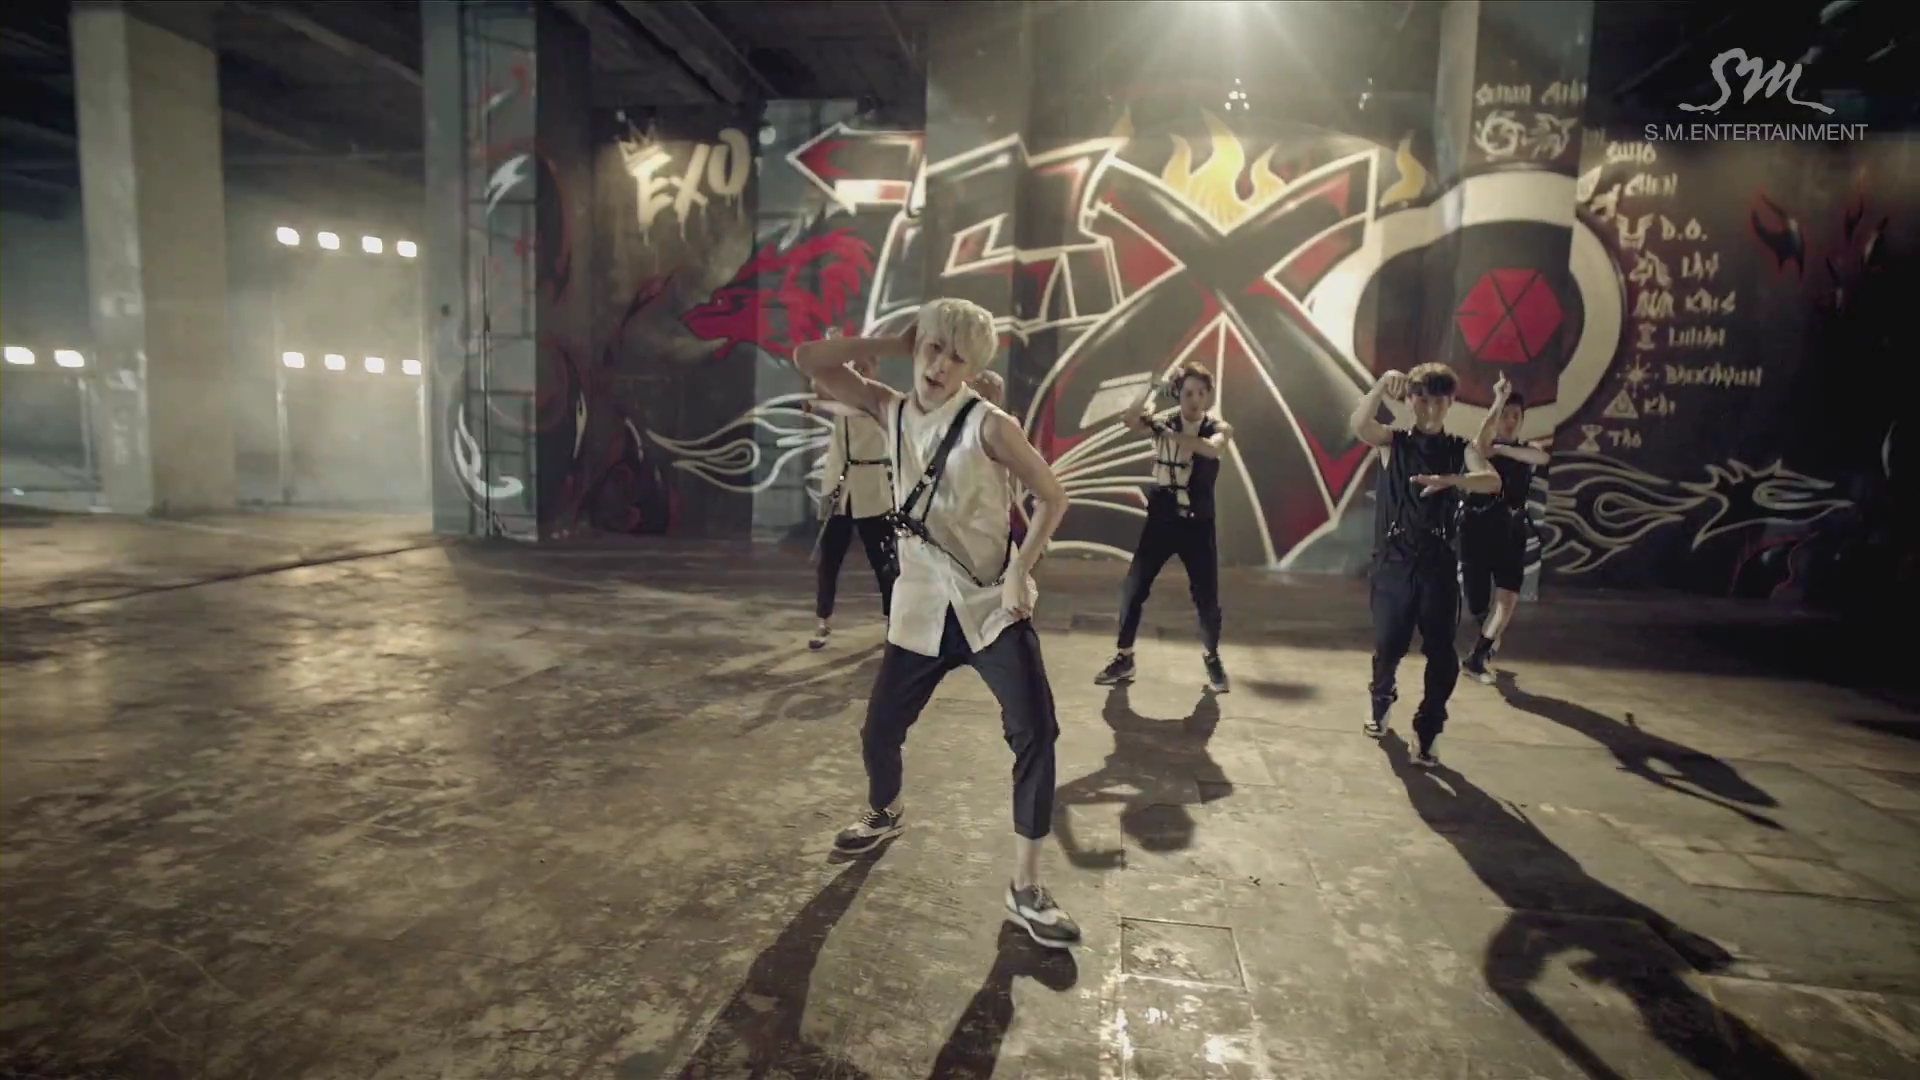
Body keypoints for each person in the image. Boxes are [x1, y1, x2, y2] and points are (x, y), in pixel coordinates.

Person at [794, 299, 1081, 950]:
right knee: (879, 733)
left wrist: (1020, 569)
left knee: (1036, 729)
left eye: (957, 356)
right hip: (921, 606)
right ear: (917, 346)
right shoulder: (889, 408)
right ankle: (886, 810)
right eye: (932, 348)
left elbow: (1052, 496)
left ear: (972, 368)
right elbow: (809, 359)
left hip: (988, 605)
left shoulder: (990, 425)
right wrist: (890, 343)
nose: (940, 365)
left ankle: (1026, 887)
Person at [1348, 362, 1502, 767]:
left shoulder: (1460, 448)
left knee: (1442, 655)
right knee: (1389, 645)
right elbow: (1360, 425)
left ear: (1450, 402)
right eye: (1422, 399)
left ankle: (1428, 728)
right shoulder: (1393, 442)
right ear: (1411, 400)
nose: (1430, 409)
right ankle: (1381, 698)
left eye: (1439, 401)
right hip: (1393, 563)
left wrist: (1452, 481)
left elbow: (1491, 481)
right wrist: (1380, 385)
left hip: (1438, 564)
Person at [1094, 363, 1234, 692]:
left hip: (1198, 523)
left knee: (1206, 597)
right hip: (1162, 518)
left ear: (1208, 395)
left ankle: (1212, 657)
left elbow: (1212, 448)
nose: (1195, 400)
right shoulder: (1164, 419)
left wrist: (1169, 434)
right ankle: (1124, 656)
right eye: (1188, 393)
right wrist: (1151, 389)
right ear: (1178, 394)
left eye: (1201, 393)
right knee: (1133, 587)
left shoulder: (1218, 427)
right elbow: (1130, 421)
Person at [1461, 376, 1551, 683]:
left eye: (1516, 416)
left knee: (1508, 596)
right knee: (1477, 601)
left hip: (1511, 531)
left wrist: (1503, 449)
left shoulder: (1528, 449)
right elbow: (1480, 448)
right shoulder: (1479, 448)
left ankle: (1476, 658)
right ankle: (1486, 634)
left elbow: (1541, 456)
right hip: (1477, 529)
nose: (1511, 421)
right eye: (1505, 415)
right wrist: (1498, 401)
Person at [805, 356, 897, 650]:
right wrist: (830, 358)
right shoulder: (839, 395)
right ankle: (823, 621)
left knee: (883, 561)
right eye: (855, 366)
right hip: (838, 487)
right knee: (829, 561)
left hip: (872, 487)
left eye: (865, 366)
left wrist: (821, 404)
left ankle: (895, 624)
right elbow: (819, 386)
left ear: (875, 368)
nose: (860, 371)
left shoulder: (881, 401)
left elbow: (852, 408)